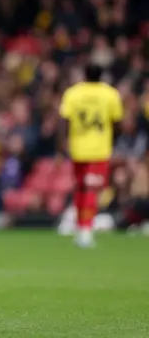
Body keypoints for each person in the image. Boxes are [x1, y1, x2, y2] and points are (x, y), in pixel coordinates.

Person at [58, 63, 123, 248]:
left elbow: (64, 121)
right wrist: (111, 140)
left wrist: (61, 144)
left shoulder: (73, 93)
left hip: (78, 149)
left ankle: (81, 227)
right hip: (99, 150)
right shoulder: (110, 94)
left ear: (84, 73)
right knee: (91, 190)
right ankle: (85, 230)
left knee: (81, 188)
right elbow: (117, 123)